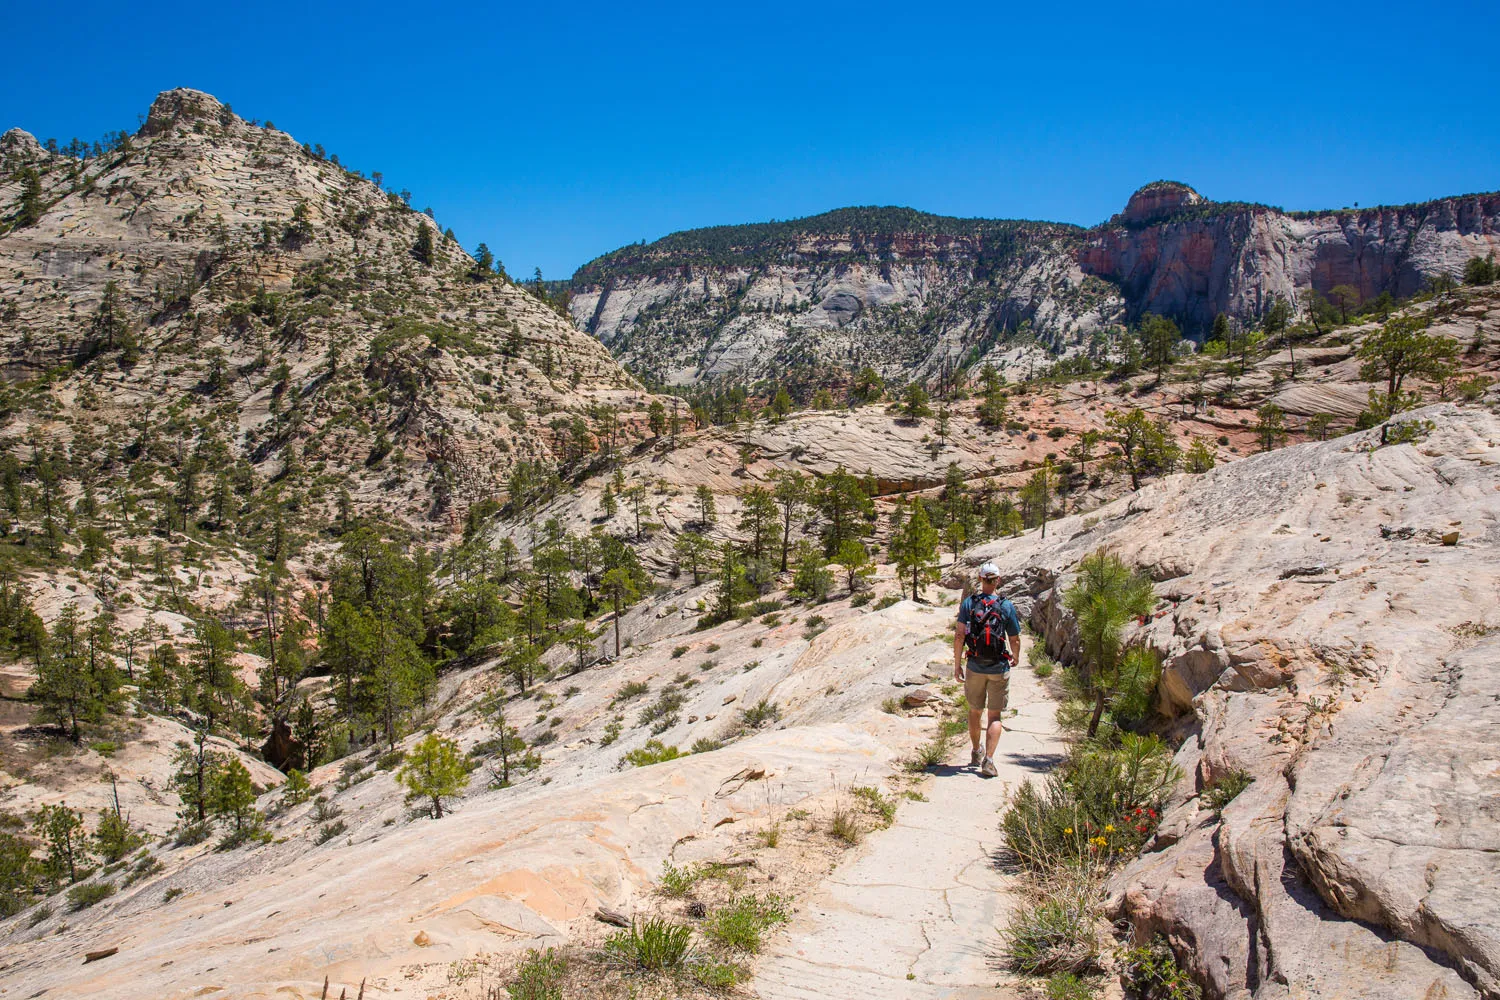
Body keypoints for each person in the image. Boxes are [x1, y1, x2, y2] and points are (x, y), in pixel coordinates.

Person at [952, 562, 1021, 777]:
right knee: (995, 716)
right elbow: (1015, 638)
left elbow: (959, 636)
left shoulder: (969, 604)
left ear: (981, 580)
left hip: (974, 665)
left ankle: (975, 750)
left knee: (975, 710)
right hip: (998, 666)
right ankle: (989, 760)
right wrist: (1016, 657)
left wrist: (957, 665)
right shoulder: (1006, 605)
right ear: (997, 580)